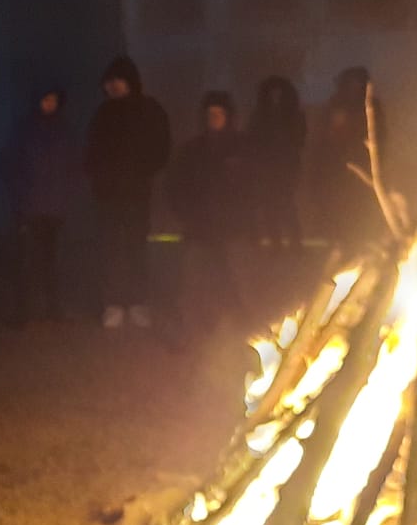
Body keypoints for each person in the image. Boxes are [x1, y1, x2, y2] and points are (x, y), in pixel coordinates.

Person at [83, 55, 172, 330]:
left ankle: (136, 303)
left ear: (129, 82)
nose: (111, 87)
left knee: (135, 249)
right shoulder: (103, 114)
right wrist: (99, 180)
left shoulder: (149, 110)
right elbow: (91, 152)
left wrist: (143, 172)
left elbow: (161, 146)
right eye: (108, 83)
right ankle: (113, 304)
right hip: (109, 196)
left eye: (116, 81)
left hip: (136, 194)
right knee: (111, 250)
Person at [166, 92, 252, 341]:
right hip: (199, 228)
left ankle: (239, 328)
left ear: (228, 116)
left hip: (231, 229)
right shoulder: (192, 150)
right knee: (194, 279)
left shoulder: (241, 148)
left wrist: (245, 217)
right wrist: (185, 214)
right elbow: (175, 185)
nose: (214, 119)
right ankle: (191, 327)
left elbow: (253, 186)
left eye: (219, 114)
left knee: (235, 278)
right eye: (210, 114)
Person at [0, 87, 82, 325]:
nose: (49, 104)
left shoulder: (65, 131)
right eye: (45, 99)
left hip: (54, 210)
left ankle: (54, 309)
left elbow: (74, 167)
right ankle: (22, 312)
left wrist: (66, 196)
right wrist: (20, 195)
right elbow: (6, 164)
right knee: (26, 262)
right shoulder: (24, 129)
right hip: (28, 208)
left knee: (53, 261)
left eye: (53, 100)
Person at [308, 67, 387, 249]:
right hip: (335, 169)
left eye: (357, 83)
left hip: (362, 167)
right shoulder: (336, 104)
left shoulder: (372, 107)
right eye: (350, 83)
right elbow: (324, 139)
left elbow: (379, 137)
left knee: (357, 208)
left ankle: (358, 242)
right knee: (334, 207)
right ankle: (335, 244)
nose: (354, 87)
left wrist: (370, 155)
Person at [245, 76, 306, 250]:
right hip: (267, 171)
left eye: (279, 95)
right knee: (270, 208)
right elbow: (253, 142)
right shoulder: (259, 117)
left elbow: (299, 142)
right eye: (272, 95)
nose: (276, 98)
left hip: (286, 170)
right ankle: (276, 244)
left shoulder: (294, 116)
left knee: (287, 206)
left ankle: (295, 244)